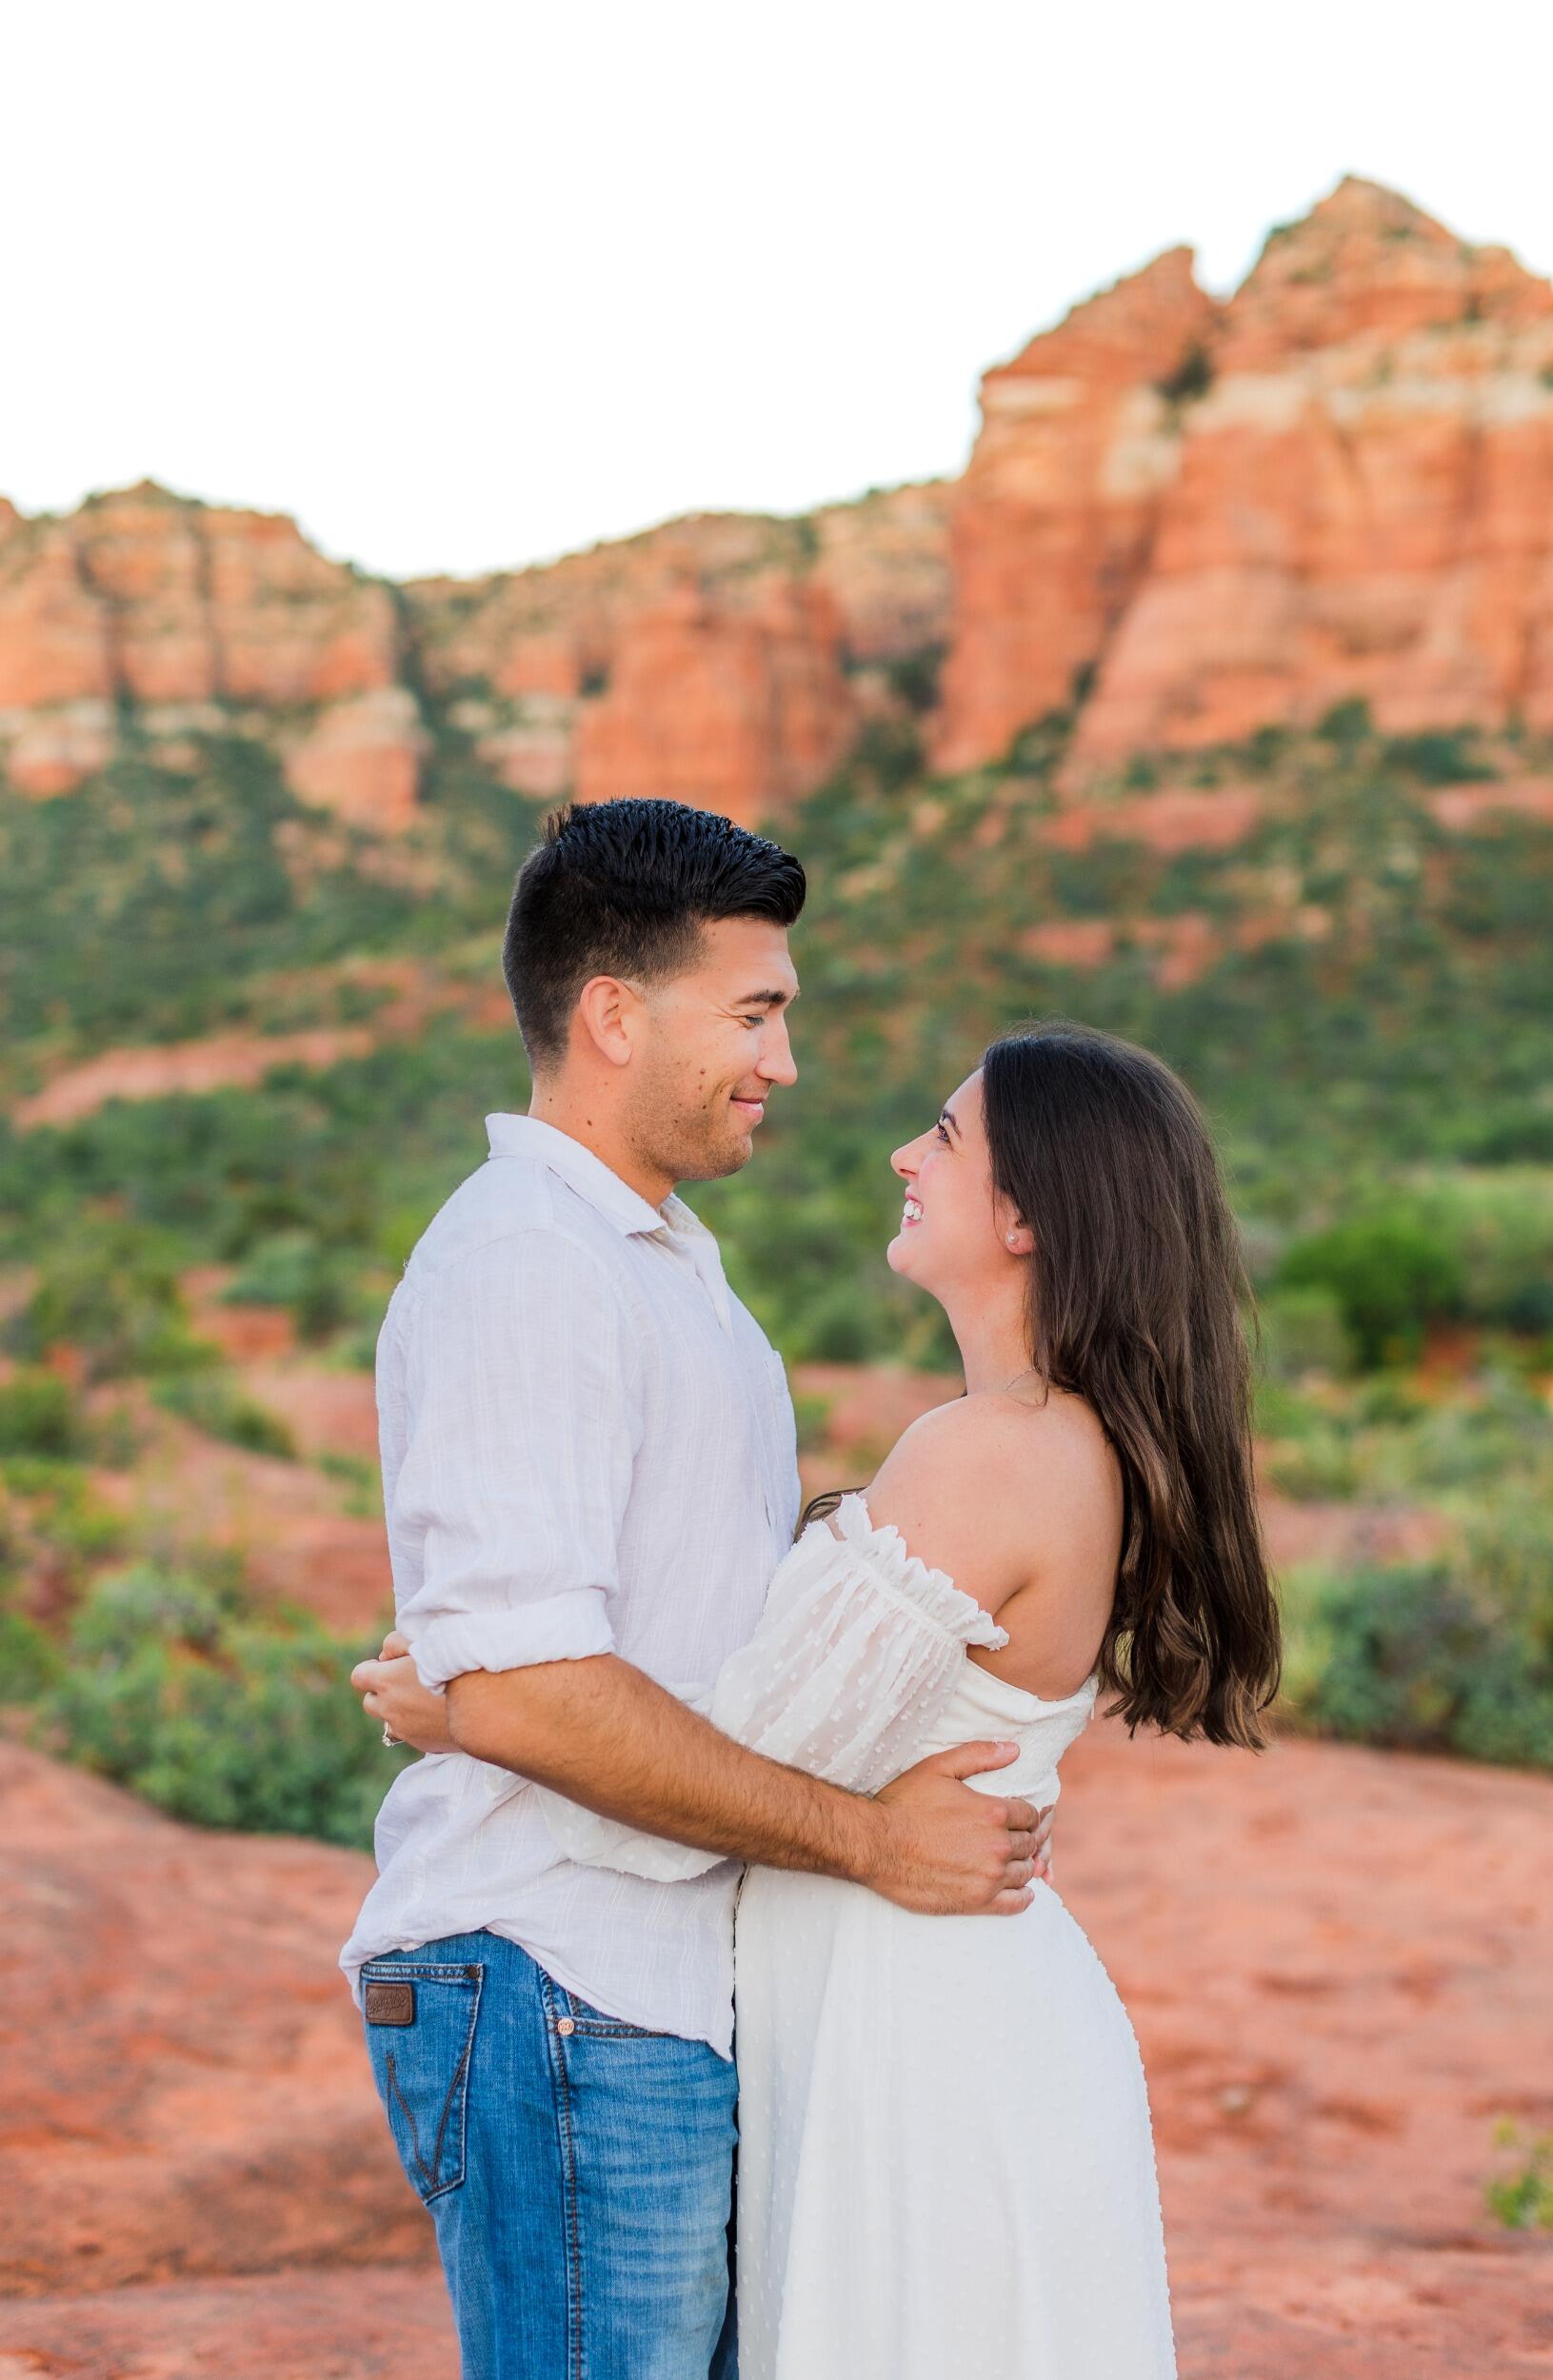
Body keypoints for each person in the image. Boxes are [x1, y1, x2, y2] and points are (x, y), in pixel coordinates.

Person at [360, 995, 1284, 2373]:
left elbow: (708, 1763)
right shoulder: (1051, 1446)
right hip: (929, 1995)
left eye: (944, 1134)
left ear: (1027, 1214)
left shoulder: (988, 1453)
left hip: (914, 2018)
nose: (904, 1157)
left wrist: (479, 1702)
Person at [339, 797, 1055, 2380]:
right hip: (561, 1980)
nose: (782, 1062)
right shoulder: (528, 1260)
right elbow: (534, 1687)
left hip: (649, 1991)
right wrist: (871, 1841)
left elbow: (616, 1638)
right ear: (611, 1015)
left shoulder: (667, 1265)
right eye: (753, 1013)